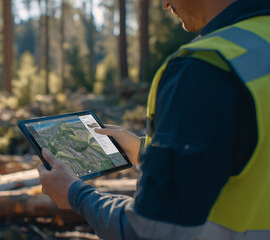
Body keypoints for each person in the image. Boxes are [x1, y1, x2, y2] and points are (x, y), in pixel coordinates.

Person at [37, 0, 270, 239]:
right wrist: (143, 149)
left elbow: (149, 231)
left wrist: (76, 194)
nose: (165, 4)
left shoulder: (206, 66)